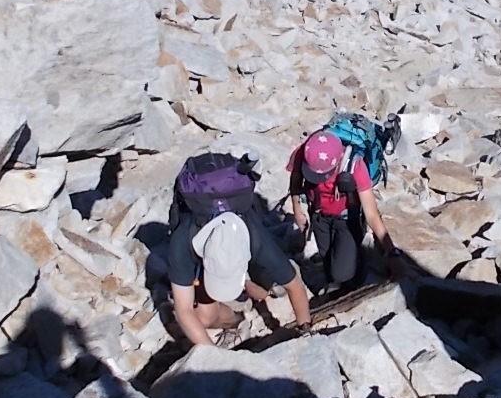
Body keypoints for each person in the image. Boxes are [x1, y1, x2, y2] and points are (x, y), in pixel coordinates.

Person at [167, 159, 312, 348]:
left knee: (260, 291)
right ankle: (235, 319)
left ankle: (244, 296)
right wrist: (215, 357)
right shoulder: (182, 244)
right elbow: (183, 311)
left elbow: (295, 286)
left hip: (237, 232)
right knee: (204, 318)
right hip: (199, 236)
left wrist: (306, 329)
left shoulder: (256, 240)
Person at [288, 129, 395, 292]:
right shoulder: (304, 154)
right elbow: (295, 180)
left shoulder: (355, 166)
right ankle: (339, 278)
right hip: (319, 215)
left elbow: (372, 214)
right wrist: (297, 209)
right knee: (326, 256)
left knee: (341, 272)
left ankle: (355, 269)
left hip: (347, 219)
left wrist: (392, 252)